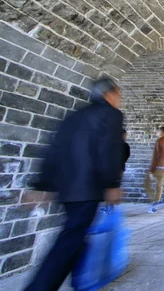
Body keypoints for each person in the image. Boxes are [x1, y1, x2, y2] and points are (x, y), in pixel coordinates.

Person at [24, 77, 123, 291]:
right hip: (87, 188)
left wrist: (43, 185)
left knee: (76, 235)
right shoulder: (111, 114)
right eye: (118, 95)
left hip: (67, 188)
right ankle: (40, 287)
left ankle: (80, 280)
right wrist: (112, 183)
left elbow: (53, 150)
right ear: (109, 94)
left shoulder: (74, 116)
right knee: (70, 239)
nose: (119, 100)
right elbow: (109, 150)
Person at [144, 126, 164, 213]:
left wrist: (151, 169)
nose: (156, 133)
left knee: (147, 183)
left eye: (158, 131)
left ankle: (154, 201)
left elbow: (156, 157)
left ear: (162, 132)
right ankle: (157, 200)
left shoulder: (159, 141)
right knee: (159, 185)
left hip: (158, 166)